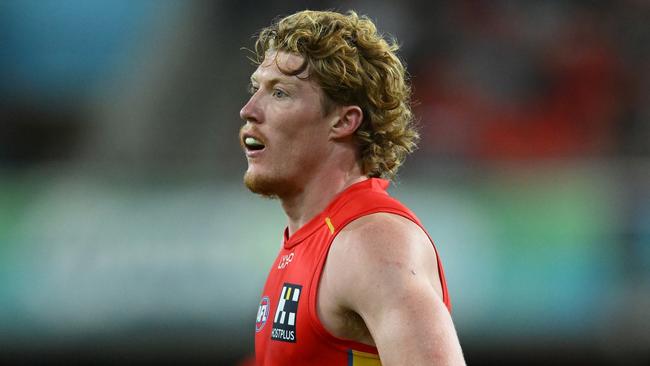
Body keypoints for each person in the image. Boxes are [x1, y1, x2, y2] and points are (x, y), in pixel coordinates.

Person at [240, 10, 465, 365]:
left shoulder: (371, 241)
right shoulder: (310, 241)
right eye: (256, 90)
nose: (249, 110)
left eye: (280, 93)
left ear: (344, 121)